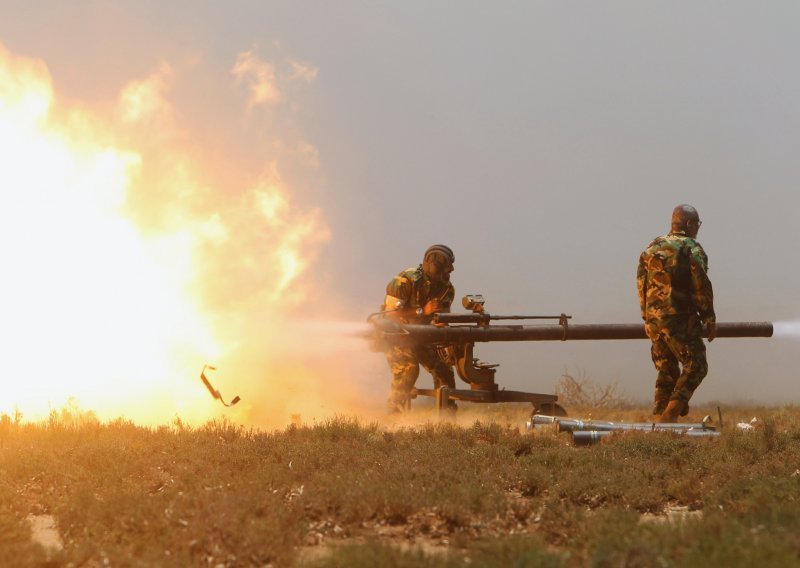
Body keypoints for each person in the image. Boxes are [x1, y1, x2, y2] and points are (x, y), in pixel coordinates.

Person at [637, 205, 716, 423]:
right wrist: (709, 317)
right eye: (697, 224)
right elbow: (701, 285)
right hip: (679, 319)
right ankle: (669, 417)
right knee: (697, 365)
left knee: (667, 371)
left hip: (654, 321)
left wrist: (646, 317)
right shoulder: (691, 248)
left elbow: (641, 283)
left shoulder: (651, 247)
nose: (698, 229)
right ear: (689, 224)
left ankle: (660, 429)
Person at [381, 244, 457, 413]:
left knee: (444, 370)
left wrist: (448, 343)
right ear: (432, 263)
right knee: (409, 370)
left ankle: (447, 420)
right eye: (445, 266)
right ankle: (394, 418)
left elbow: (441, 320)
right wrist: (423, 310)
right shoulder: (405, 280)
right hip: (396, 336)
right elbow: (389, 315)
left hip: (422, 337)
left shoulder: (446, 289)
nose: (450, 270)